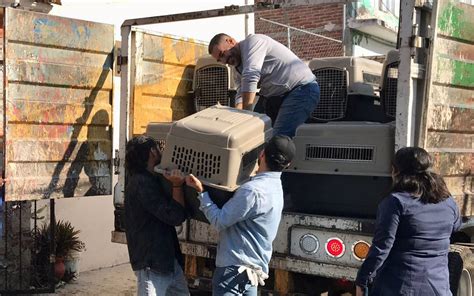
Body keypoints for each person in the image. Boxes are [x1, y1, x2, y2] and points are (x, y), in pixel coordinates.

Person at [185, 135, 296, 295]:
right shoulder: (276, 188)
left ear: (262, 154)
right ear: (288, 164)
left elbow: (219, 220)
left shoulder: (252, 191)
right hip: (252, 275)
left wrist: (200, 191)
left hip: (232, 273)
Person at [355, 147, 461, 296]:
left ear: (395, 171)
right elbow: (456, 227)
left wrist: (362, 279)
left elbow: (382, 247)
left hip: (399, 287)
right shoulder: (449, 202)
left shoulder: (395, 202)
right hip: (438, 288)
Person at [208, 33, 320, 137]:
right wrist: (238, 117)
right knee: (252, 136)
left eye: (223, 54)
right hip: (273, 97)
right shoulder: (237, 69)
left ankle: (275, 154)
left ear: (231, 41)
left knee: (278, 139)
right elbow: (241, 93)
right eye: (220, 60)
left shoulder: (253, 42)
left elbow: (251, 74)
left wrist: (247, 115)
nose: (224, 61)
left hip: (302, 90)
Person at [124, 135, 189, 296]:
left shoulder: (148, 179)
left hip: (167, 263)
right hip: (152, 264)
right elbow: (174, 216)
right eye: (159, 148)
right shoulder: (142, 183)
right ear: (152, 152)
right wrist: (177, 185)